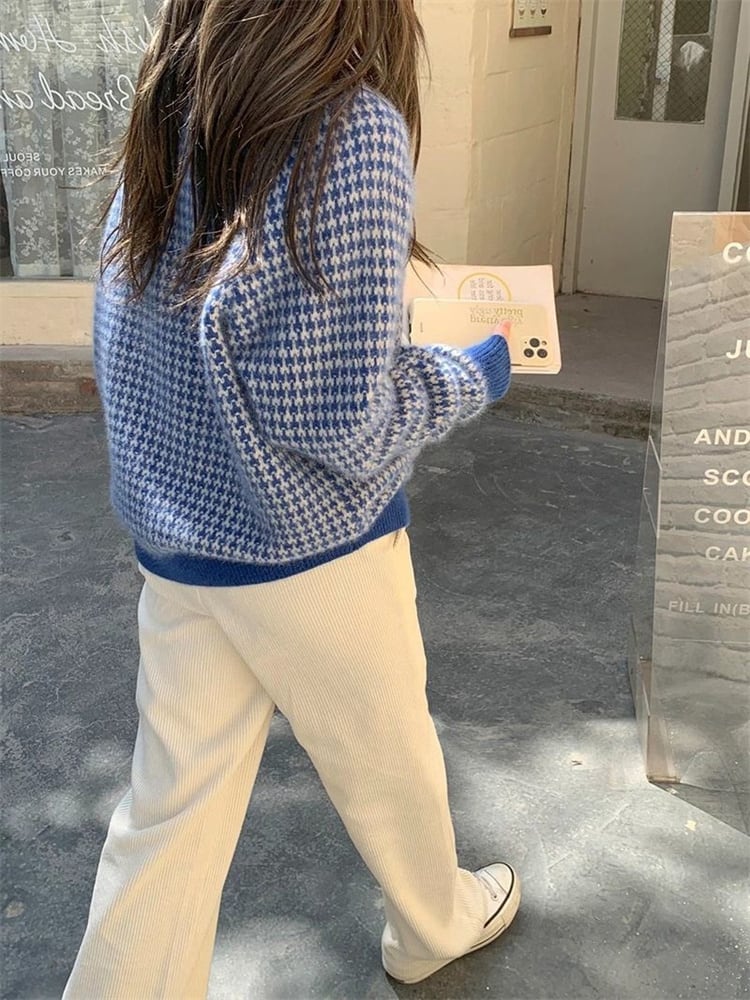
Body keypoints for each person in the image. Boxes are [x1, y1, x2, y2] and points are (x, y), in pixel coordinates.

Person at [63, 0, 520, 996]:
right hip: (310, 548)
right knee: (390, 761)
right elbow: (336, 419)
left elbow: (133, 338)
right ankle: (433, 927)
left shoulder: (173, 107)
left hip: (182, 540)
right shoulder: (348, 129)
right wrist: (472, 372)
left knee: (168, 811)